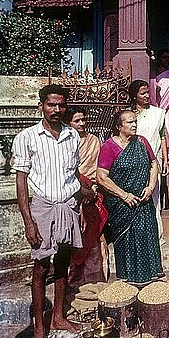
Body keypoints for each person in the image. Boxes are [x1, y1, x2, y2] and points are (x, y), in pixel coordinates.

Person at [12, 84, 91, 338]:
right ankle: (38, 331)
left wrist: (80, 206)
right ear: (41, 106)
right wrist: (28, 221)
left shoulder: (72, 136)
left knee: (64, 263)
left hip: (68, 205)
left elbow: (74, 175)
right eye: (51, 105)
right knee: (40, 268)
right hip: (42, 208)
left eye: (61, 105)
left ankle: (58, 317)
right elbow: (21, 181)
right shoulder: (27, 137)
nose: (56, 110)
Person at [96, 110, 165, 285]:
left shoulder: (142, 142)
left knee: (146, 235)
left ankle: (151, 276)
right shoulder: (109, 147)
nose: (134, 125)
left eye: (135, 121)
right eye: (129, 122)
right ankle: (129, 280)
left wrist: (150, 187)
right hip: (122, 204)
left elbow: (153, 164)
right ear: (119, 126)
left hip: (143, 201)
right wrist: (124, 195)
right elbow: (102, 177)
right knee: (127, 240)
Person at [63, 107, 109, 287]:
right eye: (77, 121)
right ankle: (74, 281)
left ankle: (94, 280)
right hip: (72, 193)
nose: (82, 123)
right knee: (74, 238)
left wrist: (93, 189)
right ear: (69, 123)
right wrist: (81, 188)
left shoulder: (94, 140)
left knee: (93, 237)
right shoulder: (65, 143)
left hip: (93, 192)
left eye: (83, 119)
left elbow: (99, 168)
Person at [129, 80, 168, 244]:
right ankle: (137, 234)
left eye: (147, 92)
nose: (146, 96)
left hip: (153, 161)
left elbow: (162, 136)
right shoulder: (128, 116)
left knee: (154, 197)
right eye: (142, 93)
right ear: (134, 96)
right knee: (135, 196)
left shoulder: (158, 113)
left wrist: (165, 158)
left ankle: (156, 235)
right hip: (133, 161)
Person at [155, 49, 169, 207]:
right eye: (164, 57)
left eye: (168, 57)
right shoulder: (155, 73)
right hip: (159, 108)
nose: (166, 60)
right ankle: (166, 159)